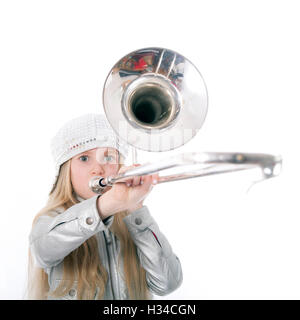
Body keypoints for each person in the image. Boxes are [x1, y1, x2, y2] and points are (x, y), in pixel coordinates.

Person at [27, 113, 183, 300]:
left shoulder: (131, 222)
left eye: (108, 158)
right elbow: (42, 250)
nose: (98, 169)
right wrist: (108, 204)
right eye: (84, 159)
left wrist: (135, 209)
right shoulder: (51, 219)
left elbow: (168, 284)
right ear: (66, 169)